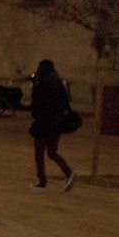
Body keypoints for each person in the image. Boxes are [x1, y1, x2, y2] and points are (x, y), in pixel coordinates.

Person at [29, 59, 75, 191]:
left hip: (43, 123)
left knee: (39, 152)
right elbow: (65, 102)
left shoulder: (40, 83)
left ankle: (42, 181)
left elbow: (36, 103)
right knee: (52, 152)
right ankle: (68, 172)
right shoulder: (59, 82)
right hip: (56, 123)